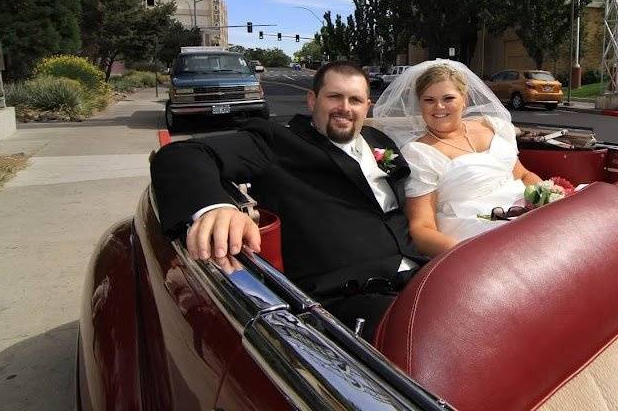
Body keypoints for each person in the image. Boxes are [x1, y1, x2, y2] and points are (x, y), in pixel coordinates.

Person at [150, 61, 427, 341]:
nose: (345, 107)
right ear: (312, 100)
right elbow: (183, 155)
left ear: (367, 106)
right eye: (334, 97)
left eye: (355, 100)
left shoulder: (378, 140)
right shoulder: (276, 141)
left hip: (420, 277)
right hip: (348, 300)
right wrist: (216, 207)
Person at [371, 60, 542, 257]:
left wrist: (547, 200)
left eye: (448, 98)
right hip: (476, 240)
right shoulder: (420, 152)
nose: (439, 107)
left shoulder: (493, 127)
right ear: (420, 104)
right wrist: (470, 256)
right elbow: (421, 229)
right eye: (429, 100)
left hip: (529, 222)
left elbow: (524, 175)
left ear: (464, 100)